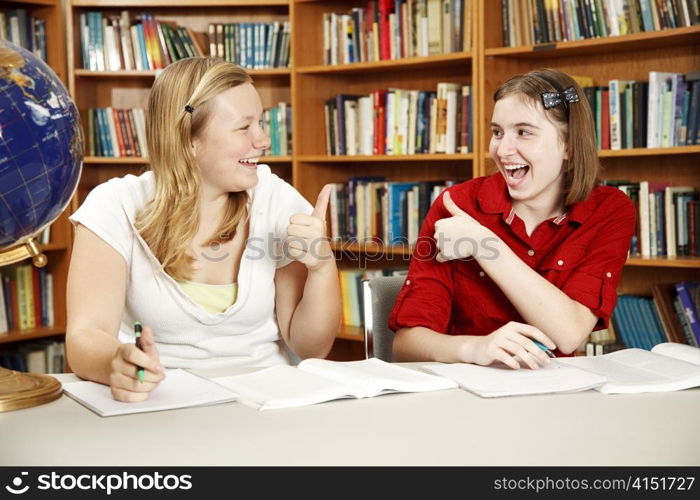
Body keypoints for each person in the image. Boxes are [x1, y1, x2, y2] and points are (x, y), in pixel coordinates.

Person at [66, 57, 341, 402]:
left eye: (261, 123)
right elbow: (85, 335)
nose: (263, 140)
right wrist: (115, 362)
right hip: (159, 403)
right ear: (189, 140)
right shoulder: (115, 205)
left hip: (264, 403)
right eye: (244, 128)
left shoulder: (277, 201)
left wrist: (321, 265)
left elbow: (310, 346)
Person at [389, 68, 635, 369]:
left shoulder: (609, 210)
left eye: (524, 132)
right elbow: (406, 345)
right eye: (497, 132)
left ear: (568, 144)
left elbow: (569, 335)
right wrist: (474, 347)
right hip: (463, 394)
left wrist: (483, 244)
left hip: (554, 393)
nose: (502, 150)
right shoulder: (457, 205)